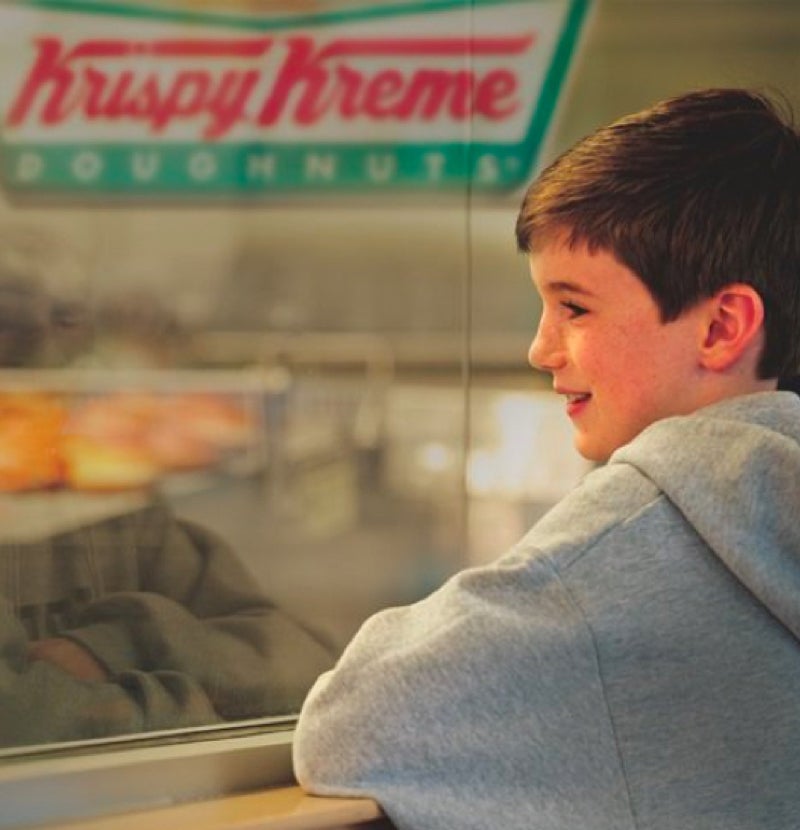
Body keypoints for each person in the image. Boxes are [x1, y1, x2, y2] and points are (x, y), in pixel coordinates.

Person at [292, 88, 800, 830]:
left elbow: (354, 726)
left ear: (722, 326)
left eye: (575, 308)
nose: (540, 349)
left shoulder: (645, 527)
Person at [0, 497, 335, 747]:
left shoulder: (110, 507)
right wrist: (212, 712)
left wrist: (115, 645)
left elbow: (309, 671)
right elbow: (18, 725)